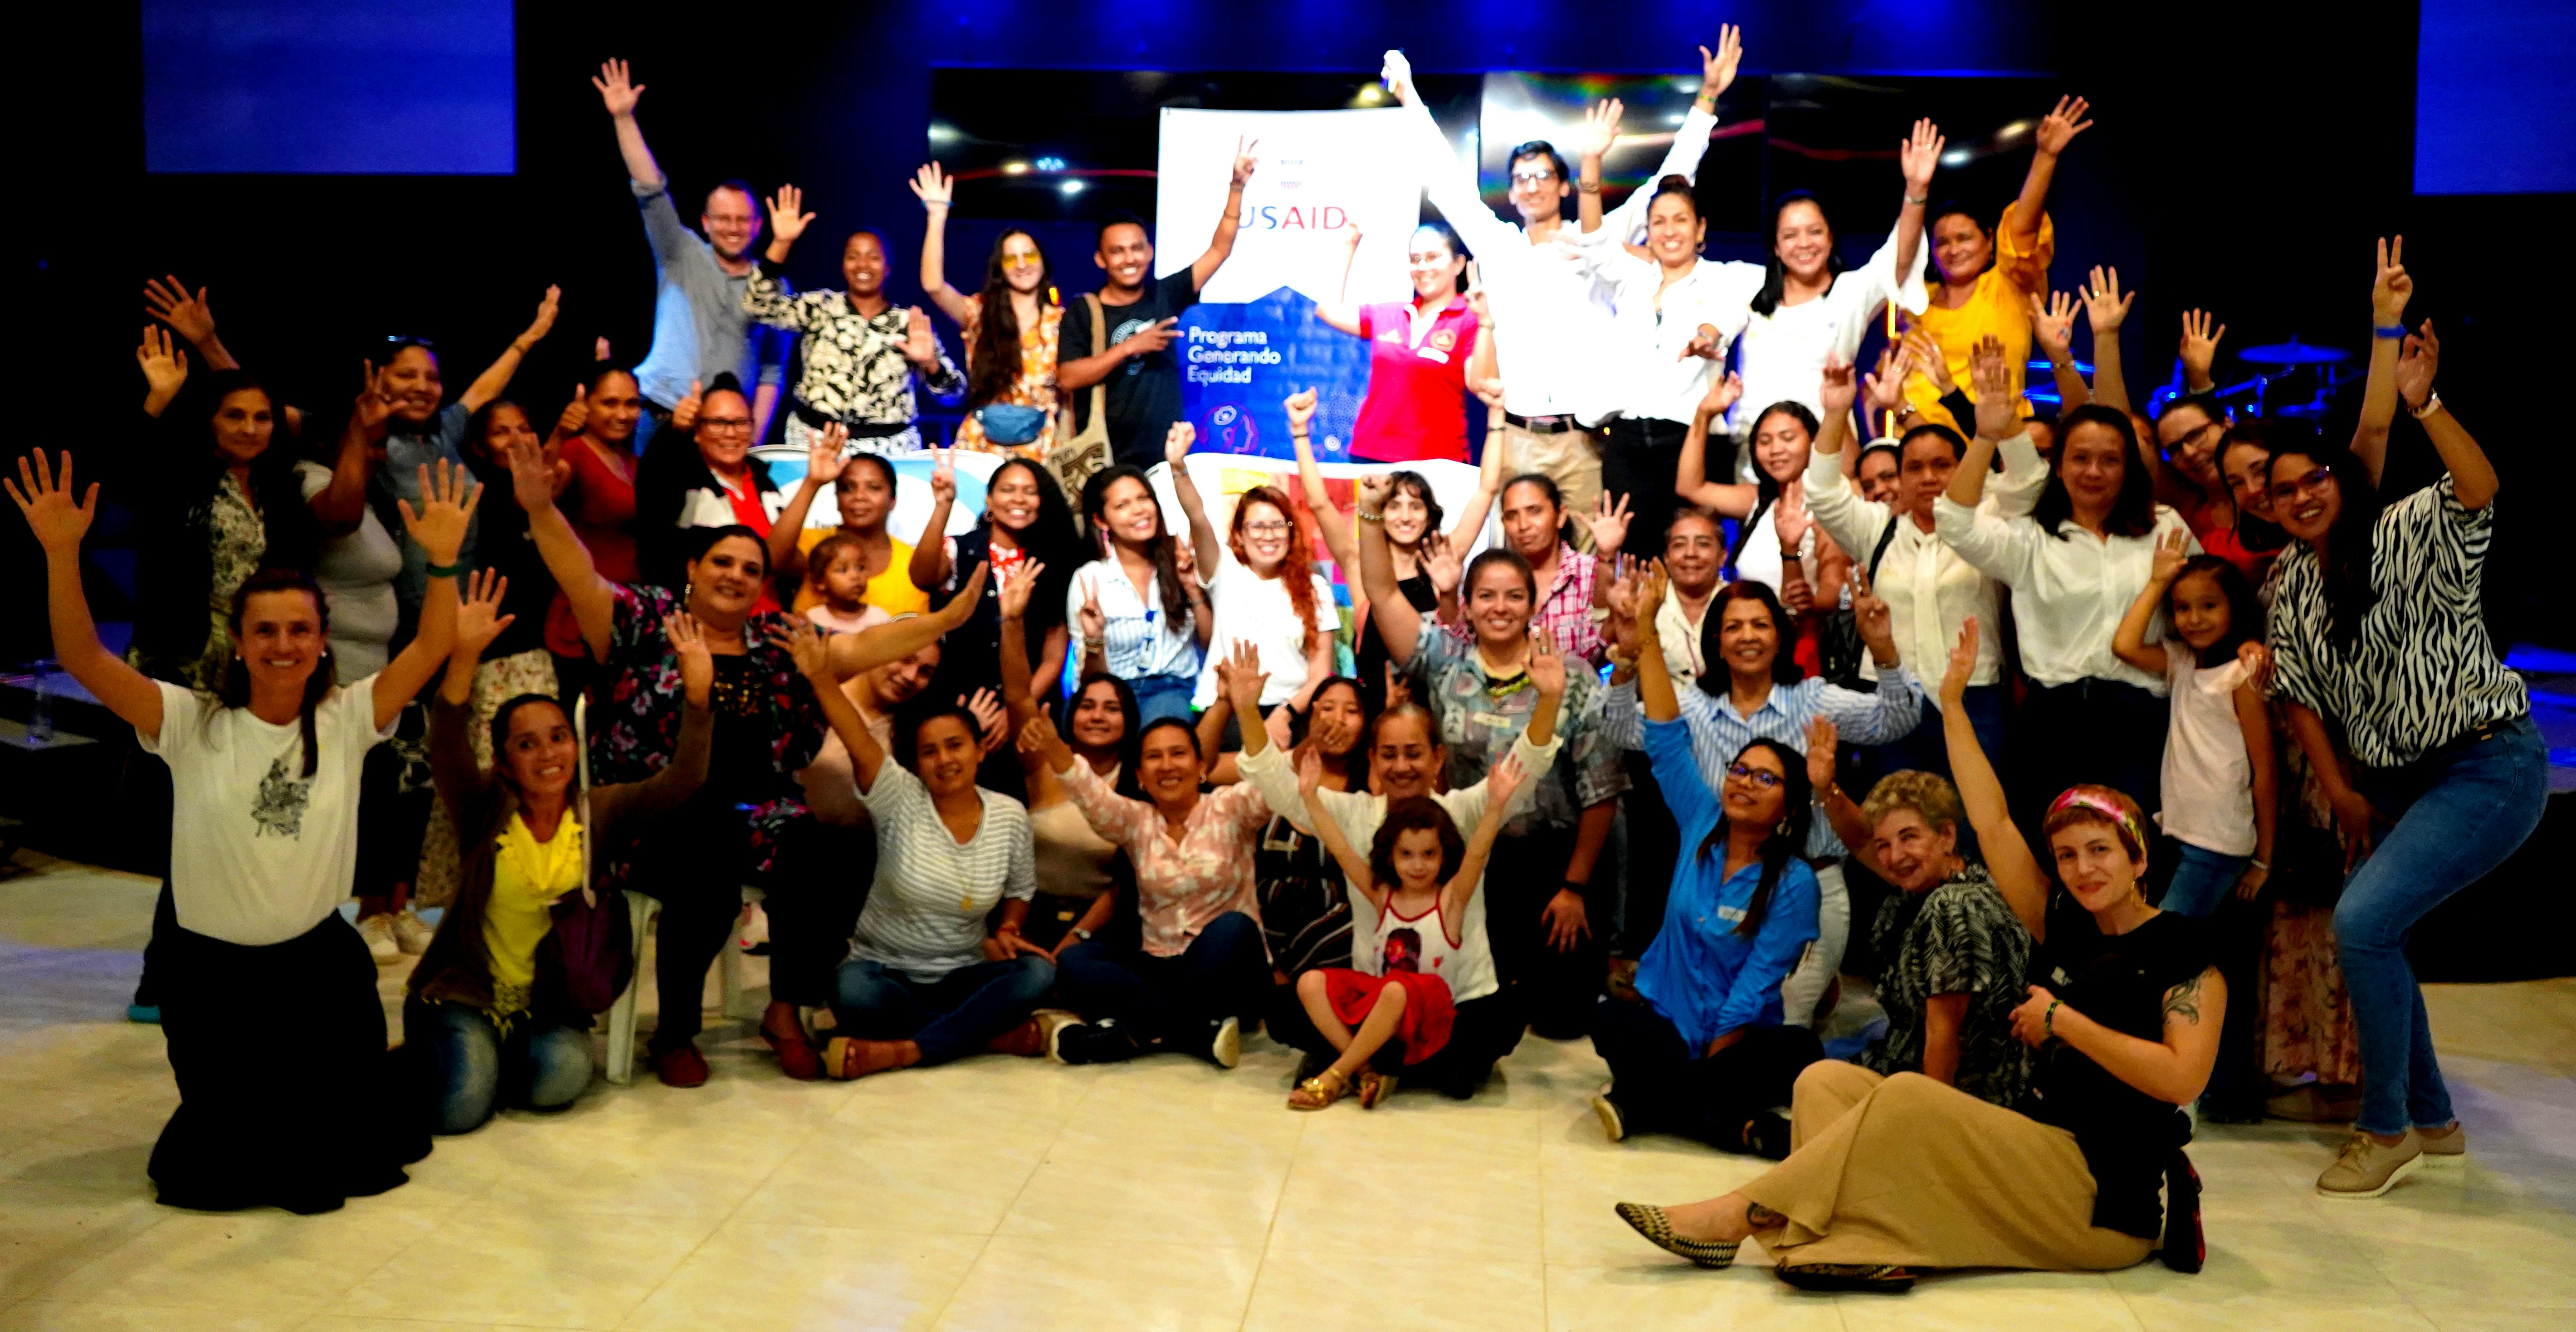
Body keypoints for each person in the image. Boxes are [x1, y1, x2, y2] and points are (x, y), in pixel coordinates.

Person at [1614, 616, 2224, 1293]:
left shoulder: (2184, 949)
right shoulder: (2065, 927)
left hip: (2101, 1195)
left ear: (2139, 859)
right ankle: (1847, 1237)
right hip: (2035, 1143)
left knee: (1907, 1093)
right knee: (1821, 1082)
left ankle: (1743, 1214)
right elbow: (1991, 819)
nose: (2082, 868)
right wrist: (1954, 706)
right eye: (2067, 855)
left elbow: (2181, 1079)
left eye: (2100, 851)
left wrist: (2063, 1022)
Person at [11, 449, 477, 1212]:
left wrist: (446, 561)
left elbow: (429, 648)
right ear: (238, 638)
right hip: (213, 982)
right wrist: (63, 552)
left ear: (322, 639)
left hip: (317, 977)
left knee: (335, 1158)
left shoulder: (348, 717)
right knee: (214, 1173)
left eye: (299, 629)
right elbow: (83, 658)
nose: (283, 645)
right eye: (266, 630)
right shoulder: (191, 721)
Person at [502, 430, 977, 1086]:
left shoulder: (774, 639)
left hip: (756, 814)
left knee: (841, 849)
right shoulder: (646, 620)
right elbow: (579, 573)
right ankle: (675, 1031)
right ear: (693, 568)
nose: (736, 576)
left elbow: (861, 648)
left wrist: (943, 621)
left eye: (751, 570)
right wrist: (539, 508)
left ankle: (785, 1009)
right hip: (652, 816)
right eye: (723, 562)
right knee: (707, 863)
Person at [2262, 266, 2544, 1197]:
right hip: (2391, 783)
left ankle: (2383, 1128)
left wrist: (2424, 402)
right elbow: (2301, 696)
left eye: (2313, 480)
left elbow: (2479, 485)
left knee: (2364, 922)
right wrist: (2343, 792)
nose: (2301, 497)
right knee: (2378, 930)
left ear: (2339, 482)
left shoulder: (2404, 528)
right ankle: (2434, 1119)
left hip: (2484, 763)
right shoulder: (2290, 586)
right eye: (2282, 491)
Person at [1381, 34, 1736, 537]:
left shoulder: (1595, 239)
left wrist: (1707, 100)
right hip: (1517, 437)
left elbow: (1666, 184)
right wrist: (1409, 96)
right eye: (1521, 178)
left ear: (1565, 186)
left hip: (1583, 440)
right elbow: (1448, 180)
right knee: (1514, 564)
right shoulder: (1498, 246)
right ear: (1511, 193)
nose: (1532, 185)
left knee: (1594, 561)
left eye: (1544, 175)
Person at [408, 575, 711, 1133]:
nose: (548, 754)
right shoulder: (483, 806)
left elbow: (683, 779)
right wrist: (464, 655)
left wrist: (697, 698)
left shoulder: (600, 811)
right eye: (527, 744)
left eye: (557, 737)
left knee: (561, 1080)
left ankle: (488, 1060)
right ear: (504, 761)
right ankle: (456, 1051)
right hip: (466, 994)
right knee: (459, 1111)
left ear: (576, 742)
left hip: (547, 1005)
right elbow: (447, 741)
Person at [1357, 474, 1622, 1038]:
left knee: (1561, 1022)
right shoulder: (1444, 660)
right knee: (1480, 1010)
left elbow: (1602, 793)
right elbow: (1381, 593)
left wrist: (1574, 888)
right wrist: (1369, 512)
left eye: (1513, 596)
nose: (1500, 607)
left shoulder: (1571, 676)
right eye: (1486, 596)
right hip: (1472, 860)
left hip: (1556, 860)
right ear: (1468, 604)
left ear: (1532, 604)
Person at [1598, 572, 1921, 1029]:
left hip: (1807, 883)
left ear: (1780, 637)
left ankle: (1809, 995)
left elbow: (1898, 718)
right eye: (1733, 627)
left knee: (1779, 1024)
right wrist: (1628, 661)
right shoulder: (1692, 706)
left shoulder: (1813, 700)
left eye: (1760, 624)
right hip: (1719, 883)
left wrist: (1883, 649)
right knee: (1705, 1016)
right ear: (1716, 641)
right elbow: (1617, 728)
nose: (1747, 636)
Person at [1592, 566, 1824, 1157]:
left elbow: (1755, 984)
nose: (1744, 782)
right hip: (1666, 1021)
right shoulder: (1700, 819)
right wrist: (1646, 630)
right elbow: (1666, 735)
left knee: (1800, 1052)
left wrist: (1717, 1053)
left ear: (1788, 807)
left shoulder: (1795, 881)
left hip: (1735, 1035)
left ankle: (1644, 1100)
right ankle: (1733, 1123)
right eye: (1740, 770)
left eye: (1765, 778)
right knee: (1610, 1019)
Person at [1239, 690, 1564, 1098]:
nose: (1402, 766)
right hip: (1378, 1001)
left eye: (1414, 754)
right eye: (1389, 755)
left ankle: (1369, 1061)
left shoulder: (1464, 811)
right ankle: (1384, 1062)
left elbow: (1523, 769)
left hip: (1456, 1003)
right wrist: (1246, 708)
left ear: (1438, 759)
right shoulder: (1354, 814)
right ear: (1373, 760)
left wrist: (1550, 698)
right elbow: (1279, 788)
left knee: (1502, 1021)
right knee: (1284, 1011)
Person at [769, 620, 1052, 1079]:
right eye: (930, 752)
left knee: (1038, 973)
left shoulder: (1009, 814)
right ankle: (986, 1037)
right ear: (916, 763)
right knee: (850, 989)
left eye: (956, 746)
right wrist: (821, 677)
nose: (945, 760)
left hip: (963, 973)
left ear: (981, 750)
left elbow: (1021, 888)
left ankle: (902, 1050)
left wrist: (1010, 926)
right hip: (885, 973)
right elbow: (858, 739)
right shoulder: (898, 796)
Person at [1936, 348, 2198, 820]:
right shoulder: (2030, 537)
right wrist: (1986, 436)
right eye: (2080, 458)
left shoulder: (2164, 525)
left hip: (2141, 718)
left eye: (2110, 460)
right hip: (2053, 719)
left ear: (2128, 469)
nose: (2093, 472)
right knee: (2052, 845)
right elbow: (1955, 525)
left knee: (2134, 843)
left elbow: (2207, 603)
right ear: (2058, 467)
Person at [1028, 642, 1279, 1066]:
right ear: (1141, 777)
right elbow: (1088, 792)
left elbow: (1271, 783)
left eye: (1179, 754)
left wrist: (1247, 711)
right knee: (1074, 962)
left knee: (1234, 929)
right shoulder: (1135, 820)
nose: (1167, 766)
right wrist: (1054, 744)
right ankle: (1193, 1032)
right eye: (1155, 758)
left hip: (1226, 969)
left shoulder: (1231, 807)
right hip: (1158, 966)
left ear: (1202, 767)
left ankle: (1131, 1032)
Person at [1805, 357, 2046, 777]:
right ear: (1899, 478)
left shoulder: (1990, 521)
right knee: (1895, 811)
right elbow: (1823, 494)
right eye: (1914, 468)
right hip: (1892, 696)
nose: (1929, 477)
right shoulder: (1877, 529)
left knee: (1975, 814)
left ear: (1963, 468)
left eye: (1942, 465)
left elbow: (2029, 482)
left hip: (1976, 697)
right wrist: (1836, 412)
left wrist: (2001, 428)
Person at [1288, 746, 1525, 1109]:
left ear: (1444, 855)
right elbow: (1342, 850)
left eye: (1429, 854)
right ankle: (1364, 1069)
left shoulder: (1451, 901)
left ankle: (1334, 1076)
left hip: (1428, 1017)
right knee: (1309, 983)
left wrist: (1495, 807)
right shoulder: (1383, 896)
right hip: (1387, 1010)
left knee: (1396, 989)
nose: (1418, 866)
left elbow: (1477, 854)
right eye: (1407, 855)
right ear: (1391, 855)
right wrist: (1309, 796)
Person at [1809, 736, 2032, 1109]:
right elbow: (1860, 842)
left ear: (1947, 835)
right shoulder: (1934, 883)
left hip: (1959, 1098)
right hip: (1901, 1059)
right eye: (1884, 844)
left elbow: (1945, 1034)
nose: (1895, 856)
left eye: (1909, 837)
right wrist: (1825, 788)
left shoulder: (1953, 907)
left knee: (1808, 1080)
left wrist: (1925, 1122)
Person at [592, 58, 787, 447]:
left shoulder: (774, 286)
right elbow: (650, 188)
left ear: (757, 226)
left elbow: (772, 370)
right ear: (706, 222)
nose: (733, 228)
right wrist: (624, 119)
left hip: (727, 428)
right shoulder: (680, 251)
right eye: (724, 219)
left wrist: (756, 436)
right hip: (659, 416)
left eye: (743, 220)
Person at [1714, 122, 1940, 450]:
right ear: (1776, 247)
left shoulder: (1850, 291)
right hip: (1753, 454)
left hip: (1826, 453)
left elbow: (1900, 258)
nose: (1804, 243)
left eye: (1815, 232)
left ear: (1831, 237)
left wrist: (1917, 190)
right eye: (1790, 235)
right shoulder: (1749, 284)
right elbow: (1679, 259)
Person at [1568, 175, 1757, 554]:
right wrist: (1590, 167)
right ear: (1648, 232)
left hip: (1693, 443)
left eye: (1680, 220)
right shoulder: (1631, 277)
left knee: (1693, 555)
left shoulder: (1724, 278)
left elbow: (1727, 317)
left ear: (1700, 228)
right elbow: (1593, 242)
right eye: (1659, 222)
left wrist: (1706, 336)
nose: (1670, 231)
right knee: (1634, 560)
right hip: (1628, 444)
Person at [1288, 387, 1501, 715]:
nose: (1405, 516)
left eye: (1415, 506)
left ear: (1429, 515)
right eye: (1394, 506)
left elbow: (1486, 490)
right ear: (1379, 512)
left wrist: (1497, 414)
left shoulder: (1443, 557)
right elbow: (1319, 503)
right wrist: (1300, 430)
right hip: (1375, 716)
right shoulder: (1360, 566)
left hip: (1439, 713)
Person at [1053, 137, 1259, 468]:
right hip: (1103, 459)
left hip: (1163, 458)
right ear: (1100, 259)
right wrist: (1130, 347)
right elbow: (1068, 379)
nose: (1129, 259)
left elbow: (1220, 250)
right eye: (1117, 252)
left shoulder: (1166, 295)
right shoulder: (1084, 311)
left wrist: (1237, 186)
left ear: (1149, 252)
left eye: (1137, 248)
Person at [367, 288, 562, 623]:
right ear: (379, 377)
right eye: (406, 375)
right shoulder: (365, 438)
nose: (421, 386)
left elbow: (484, 390)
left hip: (467, 607)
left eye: (432, 378)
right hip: (410, 616)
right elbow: (291, 420)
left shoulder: (444, 431)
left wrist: (531, 336)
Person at [1905, 96, 2091, 434]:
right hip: (1921, 447)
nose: (1953, 250)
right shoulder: (1920, 302)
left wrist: (2046, 156)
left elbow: (2023, 229)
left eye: (1964, 238)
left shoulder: (2009, 285)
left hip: (1998, 445)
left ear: (1989, 241)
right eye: (1942, 242)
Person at [2111, 539, 2274, 917]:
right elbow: (2125, 645)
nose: (2195, 619)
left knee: (2166, 938)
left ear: (2234, 607)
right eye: (2182, 608)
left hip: (2219, 840)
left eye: (2209, 606)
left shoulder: (2241, 675)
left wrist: (2263, 860)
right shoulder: (2183, 661)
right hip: (2179, 833)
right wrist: (2157, 583)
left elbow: (2265, 770)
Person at [748, 185, 963, 457]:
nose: (863, 265)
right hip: (813, 442)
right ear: (842, 265)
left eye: (874, 257)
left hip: (887, 452)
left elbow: (953, 396)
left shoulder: (909, 322)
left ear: (888, 267)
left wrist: (930, 364)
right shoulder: (821, 307)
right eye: (853, 256)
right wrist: (781, 243)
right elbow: (759, 306)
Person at [998, 569, 1140, 954]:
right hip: (1027, 918)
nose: (1098, 716)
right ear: (1072, 716)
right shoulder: (1044, 761)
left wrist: (1075, 940)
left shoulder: (1139, 779)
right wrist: (1012, 623)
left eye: (1112, 709)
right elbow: (1018, 696)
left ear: (1129, 723)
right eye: (1088, 706)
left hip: (1102, 929)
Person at [1160, 425, 1339, 714]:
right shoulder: (1225, 569)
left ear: (1291, 533)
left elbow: (1320, 674)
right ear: (1240, 535)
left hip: (1289, 710)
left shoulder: (1315, 586)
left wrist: (1285, 716)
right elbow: (1197, 515)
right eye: (1257, 526)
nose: (1268, 536)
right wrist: (1178, 467)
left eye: (1278, 525)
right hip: (1224, 708)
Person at [1669, 380, 1847, 645]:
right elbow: (1690, 487)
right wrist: (1704, 415)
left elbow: (1832, 590)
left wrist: (1809, 603)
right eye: (1765, 441)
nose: (1776, 450)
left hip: (1803, 641)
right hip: (1747, 636)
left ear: (1813, 442)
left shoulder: (1827, 505)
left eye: (1788, 438)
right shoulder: (1758, 499)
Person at [1307, 223, 1492, 463]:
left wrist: (1485, 320)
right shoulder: (1389, 315)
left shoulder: (1469, 319)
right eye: (1415, 259)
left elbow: (1480, 385)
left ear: (1458, 264)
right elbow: (1327, 311)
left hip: (1436, 462)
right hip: (1370, 454)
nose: (1423, 267)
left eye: (1433, 257)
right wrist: (1349, 244)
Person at [912, 450, 1080, 711]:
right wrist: (943, 505)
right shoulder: (959, 550)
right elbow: (922, 578)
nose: (1019, 499)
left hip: (1029, 711)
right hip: (958, 708)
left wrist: (1017, 709)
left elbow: (1053, 657)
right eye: (1008, 490)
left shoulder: (1055, 563)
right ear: (989, 500)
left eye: (1030, 492)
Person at [910, 165, 1062, 455]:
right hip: (982, 446)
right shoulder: (980, 313)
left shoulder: (1062, 322)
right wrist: (937, 215)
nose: (1022, 265)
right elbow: (933, 284)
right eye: (1011, 259)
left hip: (1041, 448)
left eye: (1029, 255)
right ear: (1000, 268)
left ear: (1043, 262)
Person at [1251, 676, 1372, 981]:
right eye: (1327, 709)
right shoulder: (1279, 773)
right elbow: (1214, 768)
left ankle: (1286, 977)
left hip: (1336, 939)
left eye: (1351, 711)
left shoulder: (1373, 785)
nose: (1338, 720)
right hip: (1268, 930)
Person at [1069, 463, 1210, 723]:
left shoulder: (1180, 560)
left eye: (1143, 498)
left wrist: (1192, 588)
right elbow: (1090, 682)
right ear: (1101, 520)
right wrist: (1094, 641)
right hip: (1115, 694)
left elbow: (1209, 642)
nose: (1138, 510)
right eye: (1122, 505)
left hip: (1175, 688)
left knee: (1161, 721)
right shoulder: (1090, 579)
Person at [633, 374, 786, 600]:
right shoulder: (682, 482)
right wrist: (673, 431)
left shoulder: (766, 484)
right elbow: (652, 488)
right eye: (718, 423)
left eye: (740, 423)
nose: (731, 433)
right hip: (701, 614)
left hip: (770, 615)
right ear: (697, 432)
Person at [769, 443, 933, 620]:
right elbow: (772, 561)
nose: (859, 496)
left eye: (873, 488)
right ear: (837, 500)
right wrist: (812, 483)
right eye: (848, 488)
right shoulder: (814, 543)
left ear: (893, 500)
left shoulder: (914, 564)